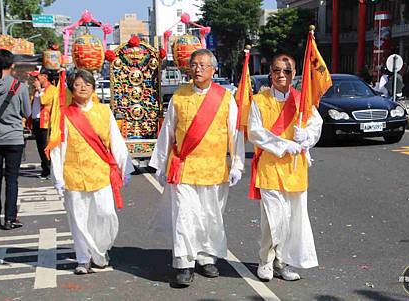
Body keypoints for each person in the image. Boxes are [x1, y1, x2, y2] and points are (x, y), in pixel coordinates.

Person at [150, 49, 244, 287]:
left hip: (214, 168)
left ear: (213, 69)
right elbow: (168, 132)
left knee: (210, 217)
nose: (198, 68)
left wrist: (237, 164)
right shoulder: (179, 97)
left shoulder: (225, 97)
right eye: (194, 64)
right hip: (184, 167)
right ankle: (184, 263)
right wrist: (160, 165)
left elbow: (235, 134)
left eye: (203, 64)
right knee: (185, 216)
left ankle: (206, 258)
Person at [49, 69, 134, 274]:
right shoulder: (64, 115)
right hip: (74, 174)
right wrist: (58, 178)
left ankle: (100, 251)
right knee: (79, 218)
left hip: (100, 173)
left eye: (87, 84)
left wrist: (125, 167)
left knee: (105, 214)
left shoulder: (104, 111)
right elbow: (58, 148)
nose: (83, 87)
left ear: (93, 87)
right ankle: (83, 258)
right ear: (71, 89)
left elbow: (115, 140)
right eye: (78, 84)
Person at [248, 54, 322, 281]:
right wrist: (283, 144)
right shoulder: (259, 101)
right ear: (270, 73)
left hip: (295, 169)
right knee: (273, 219)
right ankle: (266, 260)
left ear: (294, 74)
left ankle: (284, 262)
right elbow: (255, 132)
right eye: (277, 70)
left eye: (287, 71)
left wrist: (306, 136)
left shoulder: (302, 101)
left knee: (292, 220)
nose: (282, 75)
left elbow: (316, 126)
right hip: (270, 167)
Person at [0, 49, 31, 230]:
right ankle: (10, 218)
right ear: (12, 65)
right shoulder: (19, 87)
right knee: (12, 179)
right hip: (14, 138)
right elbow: (27, 113)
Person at [29, 68, 57, 179]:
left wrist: (40, 89)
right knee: (40, 147)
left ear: (44, 76)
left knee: (46, 147)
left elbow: (44, 101)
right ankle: (45, 169)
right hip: (36, 121)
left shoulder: (52, 89)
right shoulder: (36, 90)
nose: (35, 79)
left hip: (46, 122)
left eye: (37, 77)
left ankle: (49, 170)